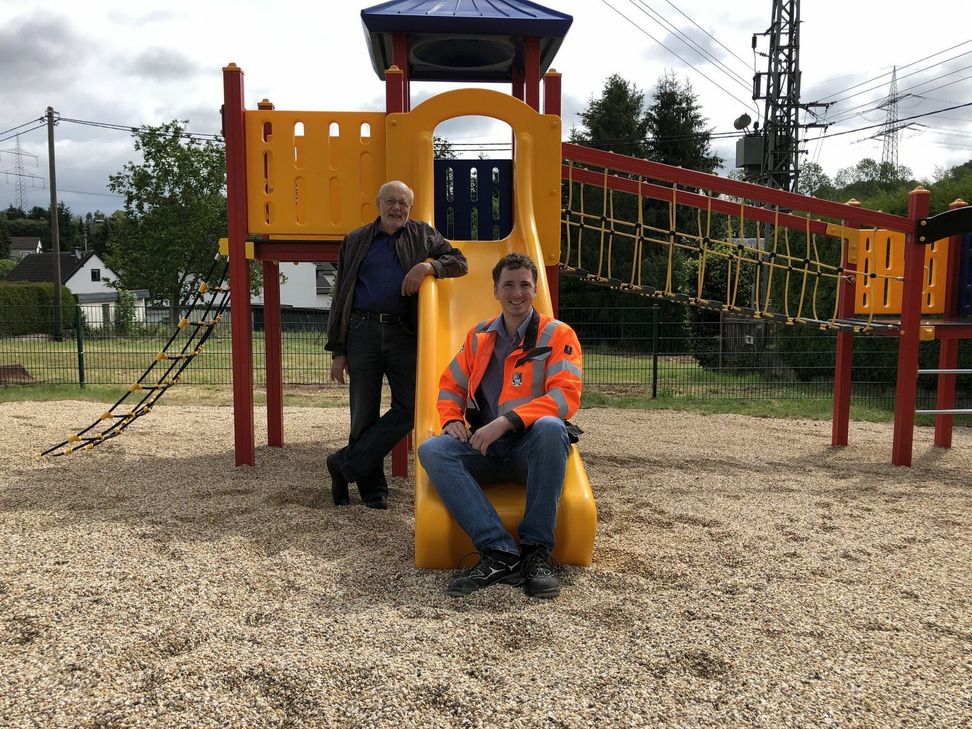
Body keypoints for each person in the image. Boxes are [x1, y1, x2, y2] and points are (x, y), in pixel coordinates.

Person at [417, 253, 583, 598]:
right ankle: (499, 551)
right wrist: (451, 420)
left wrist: (506, 422)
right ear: (495, 290)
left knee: (553, 427)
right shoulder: (479, 336)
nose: (517, 293)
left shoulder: (557, 334)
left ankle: (536, 551)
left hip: (531, 449)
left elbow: (565, 396)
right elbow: (451, 384)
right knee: (433, 450)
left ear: (535, 289)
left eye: (524, 284)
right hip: (485, 446)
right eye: (508, 284)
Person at [325, 180, 468, 509]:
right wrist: (339, 349)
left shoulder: (422, 235)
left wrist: (429, 265)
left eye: (403, 204)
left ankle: (343, 464)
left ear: (410, 208)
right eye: (391, 202)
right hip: (362, 331)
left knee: (411, 408)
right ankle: (374, 492)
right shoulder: (356, 240)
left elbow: (460, 262)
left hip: (403, 332)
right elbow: (341, 295)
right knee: (363, 414)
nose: (397, 209)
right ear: (378, 203)